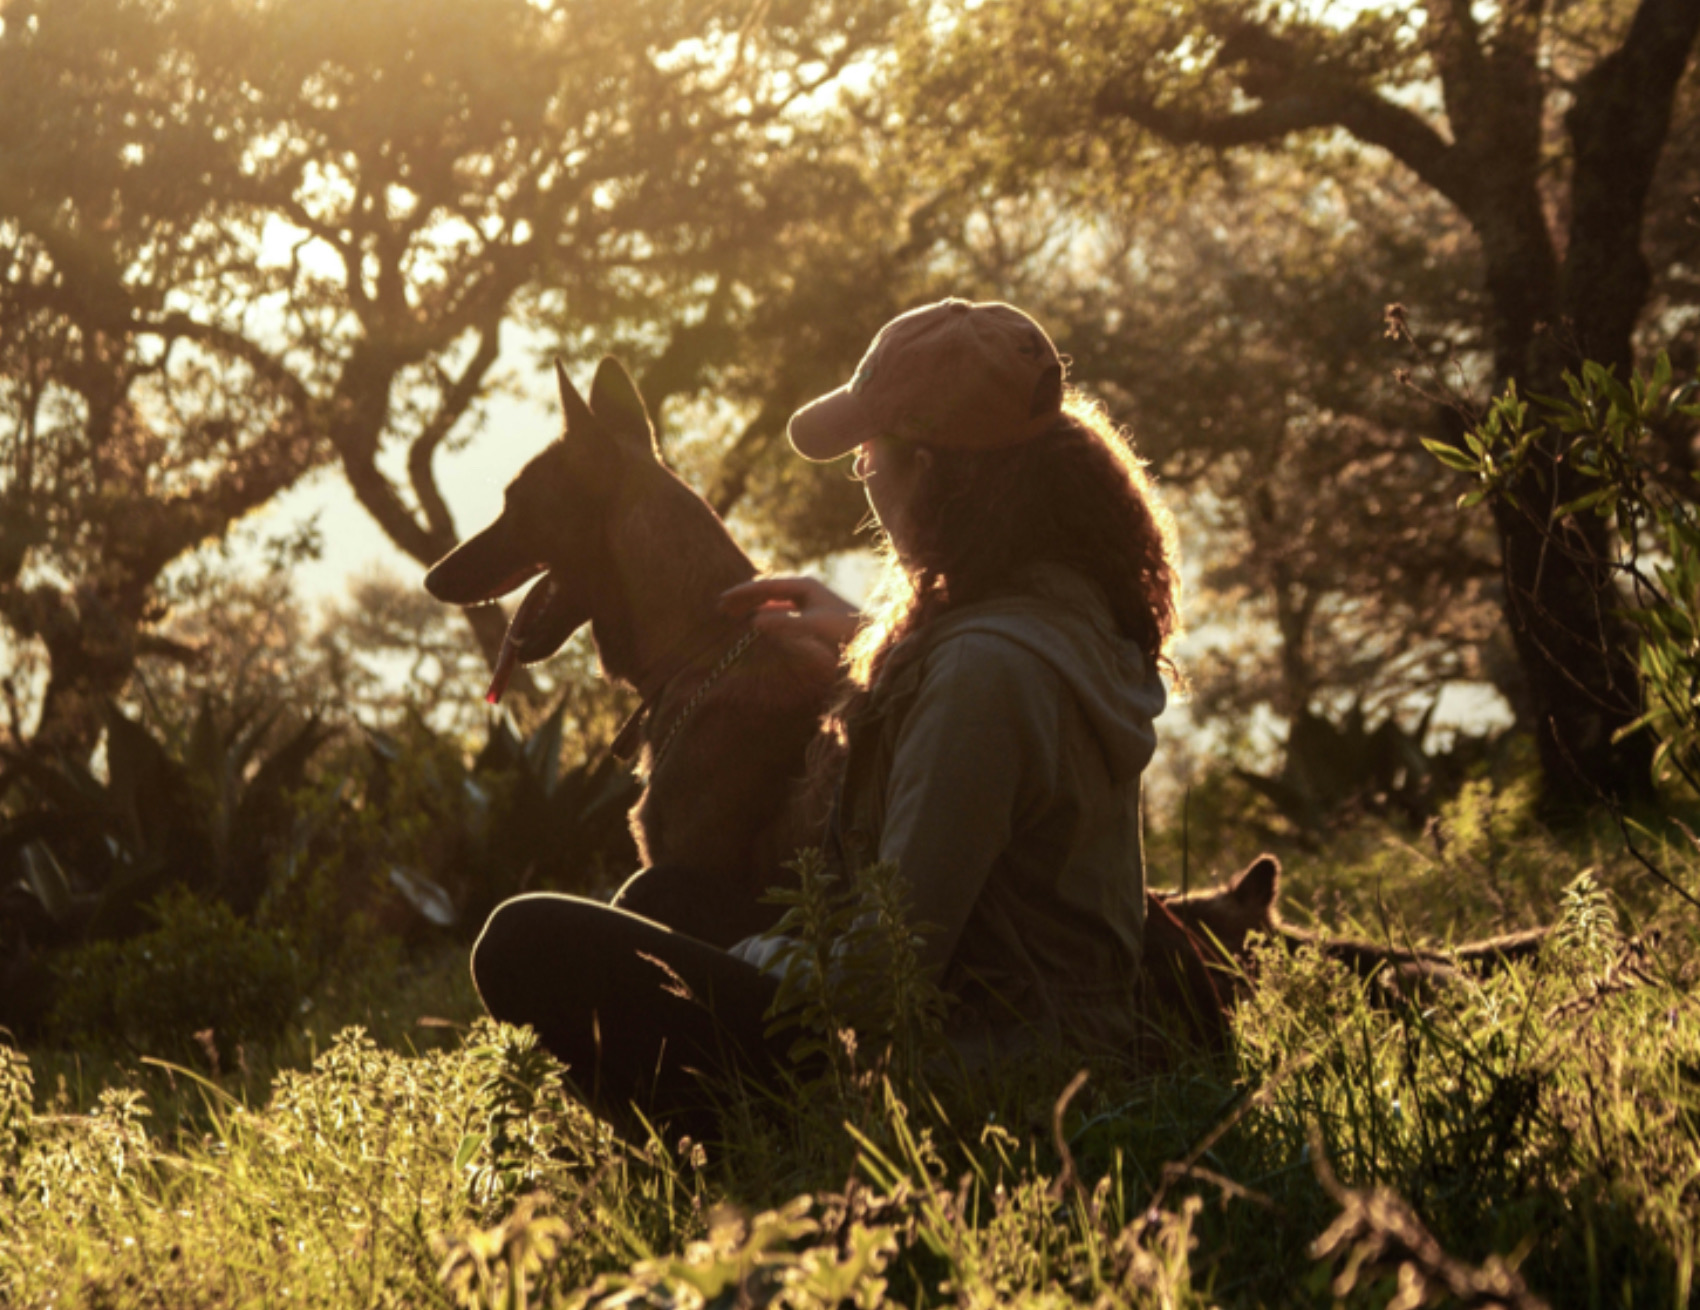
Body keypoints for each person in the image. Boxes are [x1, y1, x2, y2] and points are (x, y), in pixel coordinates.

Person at [469, 299, 1179, 1135]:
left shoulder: (981, 680)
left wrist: (735, 963)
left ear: (929, 470)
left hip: (995, 1078)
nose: (866, 479)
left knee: (524, 943)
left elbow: (882, 980)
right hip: (1031, 1021)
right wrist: (870, 640)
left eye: (869, 458)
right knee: (666, 896)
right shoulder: (1054, 607)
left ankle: (758, 1165)